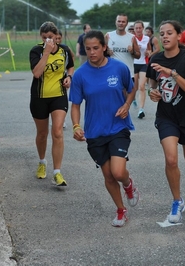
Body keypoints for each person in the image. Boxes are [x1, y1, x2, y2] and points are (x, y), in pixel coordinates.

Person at [70, 30, 140, 227]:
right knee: (108, 175)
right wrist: (76, 126)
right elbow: (75, 105)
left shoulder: (119, 68)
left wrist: (126, 105)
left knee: (118, 172)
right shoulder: (81, 74)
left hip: (118, 127)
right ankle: (121, 210)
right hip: (94, 132)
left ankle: (128, 184)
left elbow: (131, 88)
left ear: (103, 47)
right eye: (88, 49)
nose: (91, 52)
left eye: (95, 48)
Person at [146, 20, 185, 223]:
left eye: (169, 33)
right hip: (167, 117)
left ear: (179, 36)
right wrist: (153, 93)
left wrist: (173, 73)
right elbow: (153, 85)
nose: (165, 36)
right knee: (171, 159)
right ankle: (176, 201)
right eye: (162, 33)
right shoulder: (156, 58)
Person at [29, 21, 74, 186]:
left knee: (57, 132)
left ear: (57, 37)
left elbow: (70, 67)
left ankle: (57, 172)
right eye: (45, 37)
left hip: (58, 96)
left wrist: (70, 77)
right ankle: (42, 162)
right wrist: (46, 53)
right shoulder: (36, 51)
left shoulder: (64, 50)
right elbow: (36, 73)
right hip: (39, 97)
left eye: (51, 37)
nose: (48, 40)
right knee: (42, 134)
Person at [105, 14, 141, 86]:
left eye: (123, 22)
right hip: (112, 73)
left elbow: (138, 55)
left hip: (128, 74)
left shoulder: (132, 37)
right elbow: (101, 53)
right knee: (113, 96)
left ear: (126, 23)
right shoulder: (108, 36)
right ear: (115, 22)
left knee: (128, 96)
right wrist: (107, 53)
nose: (121, 23)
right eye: (119, 21)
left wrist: (132, 52)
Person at [133, 20, 151, 119]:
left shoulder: (147, 38)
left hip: (143, 63)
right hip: (134, 64)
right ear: (134, 29)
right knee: (135, 87)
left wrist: (148, 52)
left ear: (143, 28)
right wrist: (134, 49)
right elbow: (128, 52)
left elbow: (149, 50)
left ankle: (141, 109)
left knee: (142, 86)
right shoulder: (131, 38)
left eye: (140, 28)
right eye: (136, 28)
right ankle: (133, 99)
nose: (138, 30)